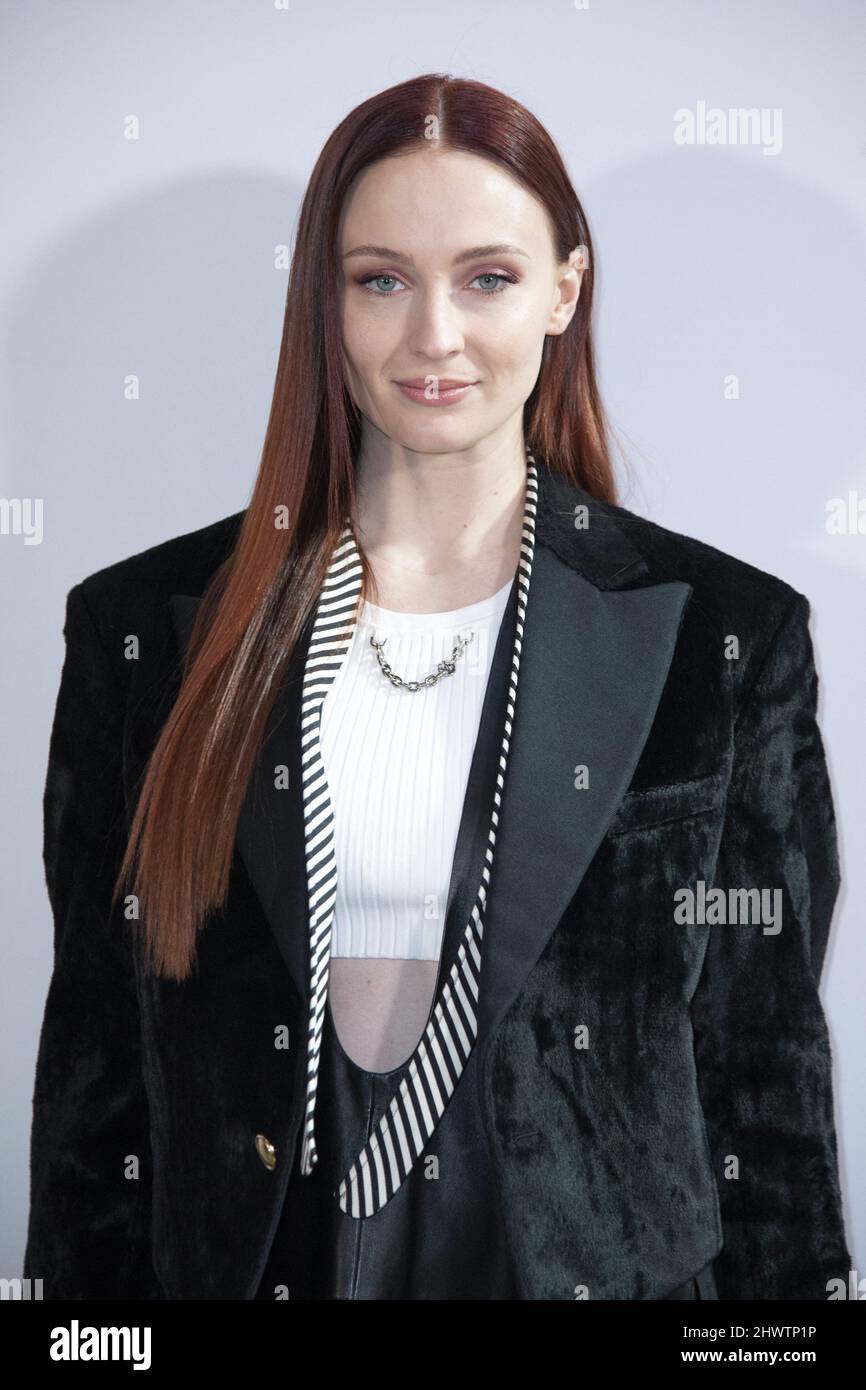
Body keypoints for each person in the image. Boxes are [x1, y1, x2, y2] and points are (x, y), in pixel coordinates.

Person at [23, 72, 851, 1301]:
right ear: (326, 299)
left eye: (486, 277)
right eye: (380, 280)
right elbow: (99, 1061)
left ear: (565, 287)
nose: (433, 337)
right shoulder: (147, 631)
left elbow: (758, 1060)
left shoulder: (721, 637)